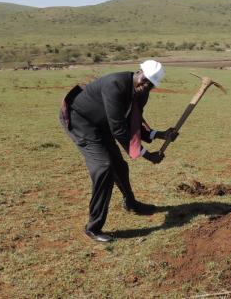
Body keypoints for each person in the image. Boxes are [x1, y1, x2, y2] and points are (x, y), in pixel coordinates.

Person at [59, 60, 178, 243]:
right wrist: (146, 154)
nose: (145, 86)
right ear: (138, 72)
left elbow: (134, 121)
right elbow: (119, 130)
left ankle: (131, 203)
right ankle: (93, 227)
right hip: (80, 121)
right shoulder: (115, 84)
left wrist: (159, 134)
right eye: (144, 80)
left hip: (102, 123)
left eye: (151, 84)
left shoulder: (142, 94)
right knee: (104, 168)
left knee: (119, 166)